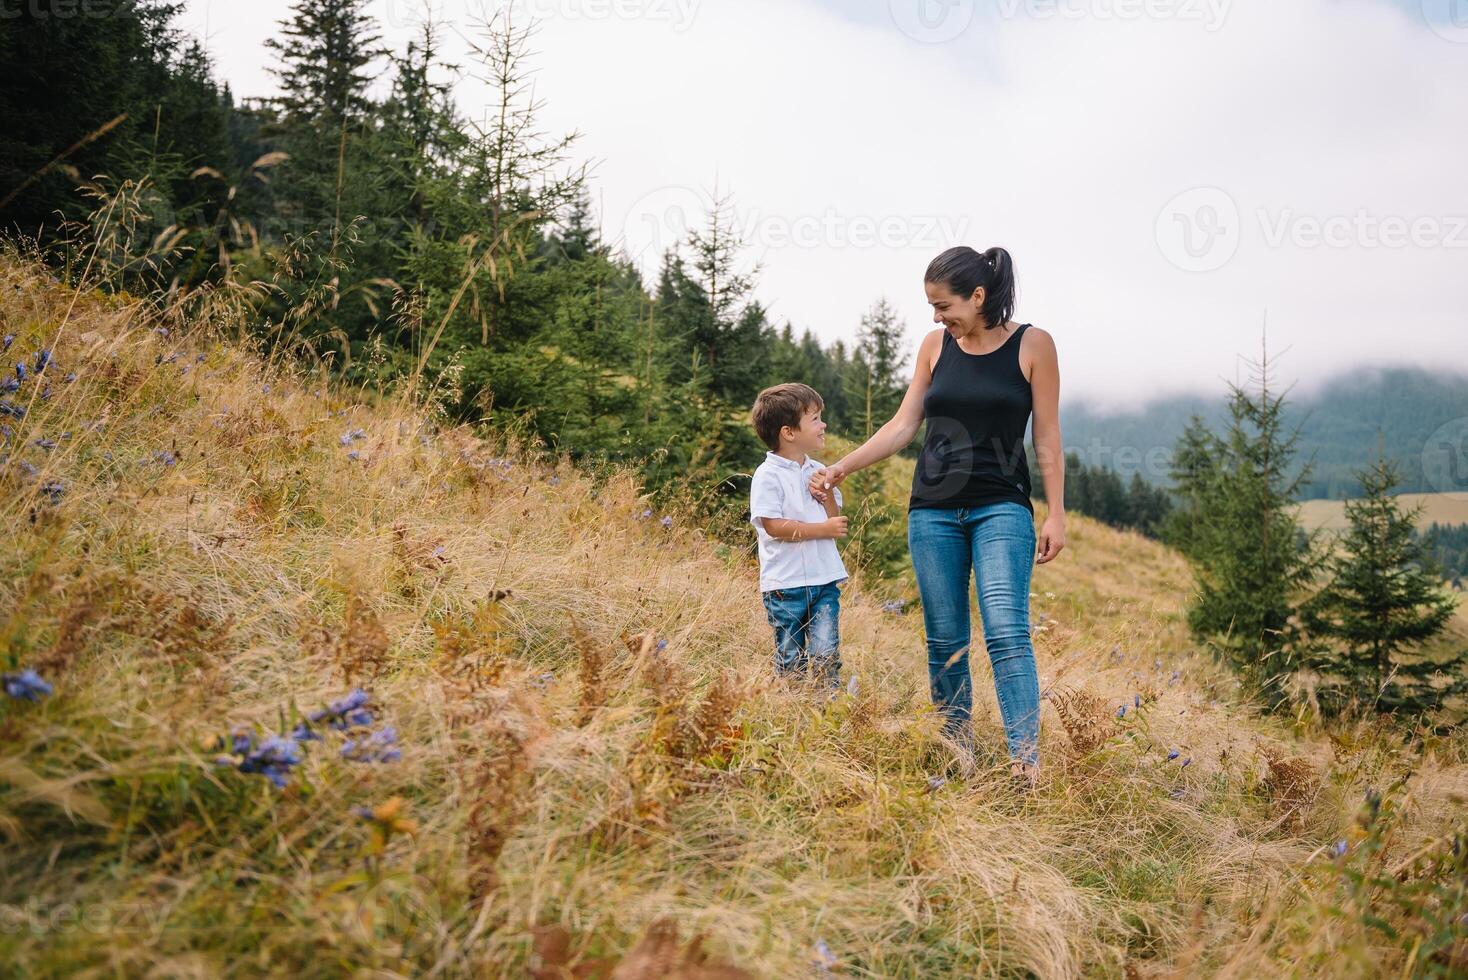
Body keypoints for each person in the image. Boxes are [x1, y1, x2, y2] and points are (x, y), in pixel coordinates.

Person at [808, 246, 1066, 787]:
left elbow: (1046, 435)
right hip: (932, 512)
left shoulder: (1033, 345)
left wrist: (1056, 513)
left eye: (943, 305)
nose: (936, 317)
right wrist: (842, 468)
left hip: (1002, 506)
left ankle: (1025, 763)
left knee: (1006, 631)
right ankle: (956, 752)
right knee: (944, 638)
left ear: (978, 296)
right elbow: (904, 425)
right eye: (930, 306)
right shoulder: (934, 346)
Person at [748, 382, 849, 692]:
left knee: (825, 652)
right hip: (785, 585)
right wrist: (822, 530)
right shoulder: (767, 475)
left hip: (824, 580)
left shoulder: (819, 470)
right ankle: (791, 709)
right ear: (788, 432)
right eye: (815, 419)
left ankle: (826, 712)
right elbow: (773, 525)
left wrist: (827, 495)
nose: (824, 425)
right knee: (790, 656)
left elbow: (836, 519)